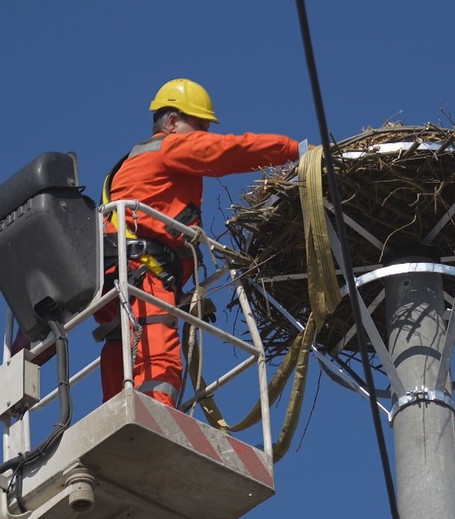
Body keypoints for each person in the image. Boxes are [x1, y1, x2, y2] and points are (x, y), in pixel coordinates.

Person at [94, 78, 301, 408]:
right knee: (158, 359)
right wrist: (295, 150)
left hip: (116, 273)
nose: (205, 135)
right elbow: (231, 151)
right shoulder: (168, 148)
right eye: (200, 127)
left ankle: (122, 419)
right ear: (172, 122)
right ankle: (156, 420)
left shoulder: (134, 163)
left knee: (121, 344)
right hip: (144, 271)